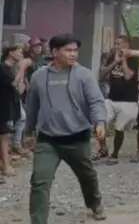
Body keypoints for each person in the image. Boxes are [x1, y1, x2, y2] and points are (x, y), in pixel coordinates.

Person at [25, 34, 107, 222]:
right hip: (48, 140)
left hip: (77, 138)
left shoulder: (83, 75)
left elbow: (96, 101)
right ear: (54, 52)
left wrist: (100, 122)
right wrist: (29, 132)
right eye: (68, 50)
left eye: (75, 51)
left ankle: (95, 204)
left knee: (87, 176)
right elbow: (32, 106)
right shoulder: (39, 76)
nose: (73, 54)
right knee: (39, 182)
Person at [95, 36, 139, 164]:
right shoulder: (111, 57)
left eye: (119, 44)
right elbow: (101, 76)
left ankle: (114, 155)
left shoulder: (134, 59)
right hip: (111, 99)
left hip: (128, 100)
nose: (116, 46)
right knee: (100, 122)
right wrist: (115, 62)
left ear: (127, 45)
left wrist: (123, 60)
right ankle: (103, 149)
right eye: (115, 43)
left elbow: (128, 76)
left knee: (119, 128)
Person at [0, 45, 25, 177]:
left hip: (10, 105)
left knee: (5, 135)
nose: (21, 54)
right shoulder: (3, 68)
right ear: (10, 52)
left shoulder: (11, 69)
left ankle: (5, 163)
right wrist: (22, 68)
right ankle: (6, 166)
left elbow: (19, 89)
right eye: (19, 51)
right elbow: (14, 84)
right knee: (4, 136)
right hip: (2, 107)